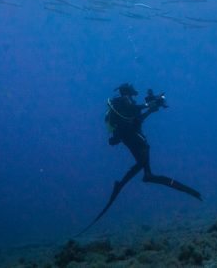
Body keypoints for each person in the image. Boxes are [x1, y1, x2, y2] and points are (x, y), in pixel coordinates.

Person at [78, 83, 201, 234]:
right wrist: (149, 104)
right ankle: (137, 178)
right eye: (131, 89)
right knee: (144, 152)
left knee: (143, 156)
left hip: (129, 135)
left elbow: (137, 119)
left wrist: (150, 109)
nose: (134, 91)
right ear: (127, 91)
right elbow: (134, 110)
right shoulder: (123, 101)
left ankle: (143, 176)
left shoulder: (126, 104)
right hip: (129, 135)